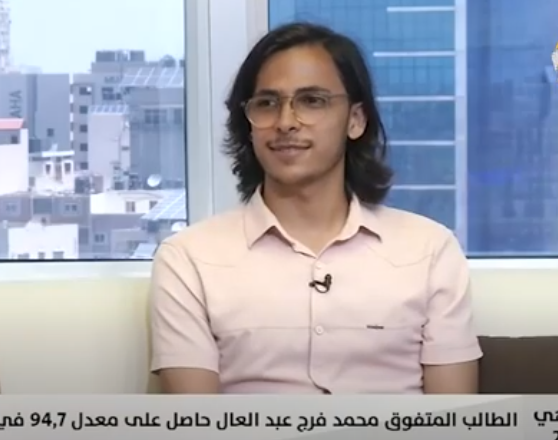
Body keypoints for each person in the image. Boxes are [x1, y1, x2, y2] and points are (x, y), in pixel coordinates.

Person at [149, 22, 482, 394]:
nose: (285, 122)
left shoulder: (430, 250)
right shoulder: (188, 259)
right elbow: (195, 420)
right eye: (267, 104)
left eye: (312, 101)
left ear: (355, 120)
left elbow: (455, 416)